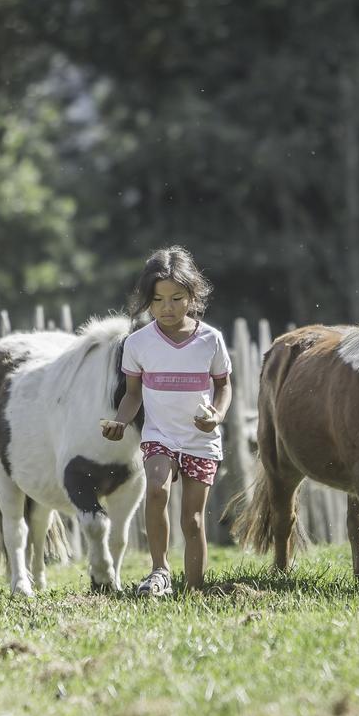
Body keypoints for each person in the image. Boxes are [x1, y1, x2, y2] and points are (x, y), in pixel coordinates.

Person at [101, 246, 232, 596]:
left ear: (193, 295)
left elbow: (224, 386)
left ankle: (194, 590)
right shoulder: (138, 343)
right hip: (159, 435)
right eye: (158, 300)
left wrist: (217, 415)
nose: (167, 308)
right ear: (148, 300)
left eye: (176, 298)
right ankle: (159, 572)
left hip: (201, 440)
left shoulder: (210, 340)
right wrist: (120, 422)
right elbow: (132, 394)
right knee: (156, 490)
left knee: (192, 519)